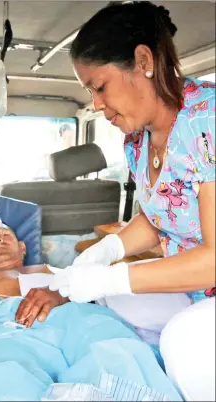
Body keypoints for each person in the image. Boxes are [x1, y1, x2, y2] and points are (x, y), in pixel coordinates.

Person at [49, 2, 215, 401]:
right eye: (89, 92)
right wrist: (110, 249)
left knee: (183, 345)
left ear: (143, 61)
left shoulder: (206, 122)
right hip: (194, 290)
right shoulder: (135, 141)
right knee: (106, 309)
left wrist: (114, 274)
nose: (97, 105)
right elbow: (159, 213)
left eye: (100, 86)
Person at [0, 220, 182, 401]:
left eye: (4, 234)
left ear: (22, 248)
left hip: (79, 316)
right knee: (2, 377)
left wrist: (62, 292)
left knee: (120, 353)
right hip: (4, 330)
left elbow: (91, 292)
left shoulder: (57, 271)